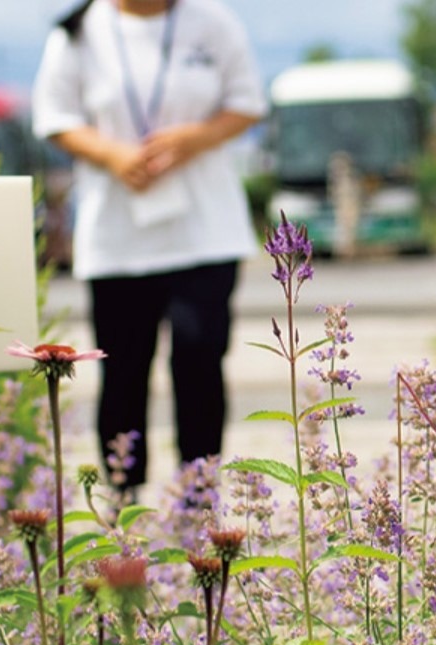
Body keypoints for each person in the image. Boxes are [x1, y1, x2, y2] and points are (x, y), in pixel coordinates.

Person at [32, 0, 267, 494]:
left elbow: (247, 103)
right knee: (122, 372)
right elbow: (53, 117)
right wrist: (111, 153)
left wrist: (195, 138)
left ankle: (198, 499)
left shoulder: (213, 21)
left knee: (200, 360)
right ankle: (124, 499)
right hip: (118, 238)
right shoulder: (78, 31)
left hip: (204, 231)